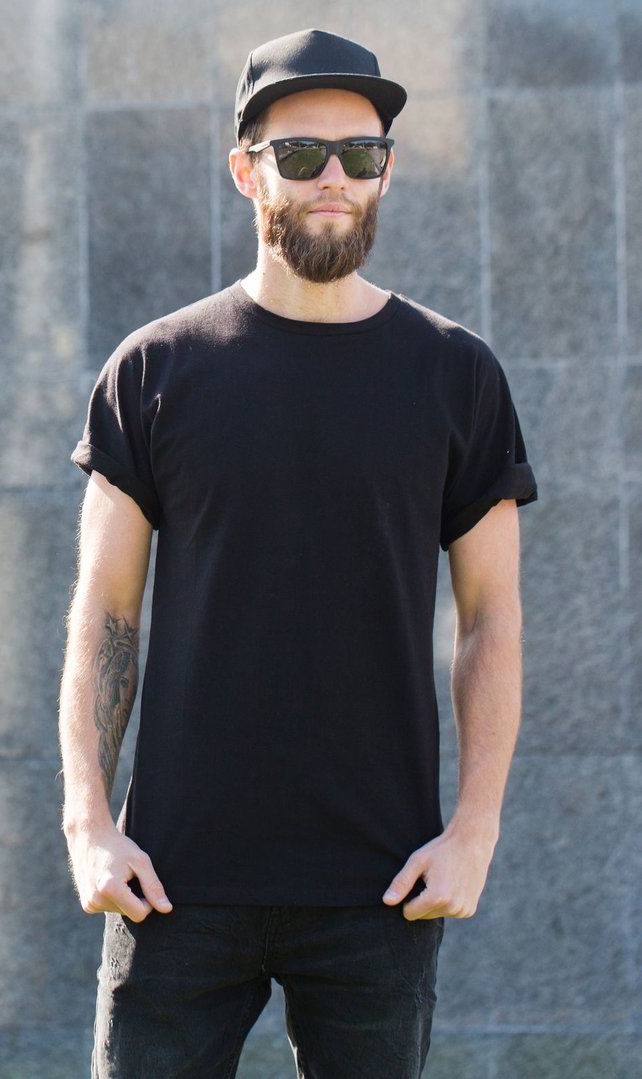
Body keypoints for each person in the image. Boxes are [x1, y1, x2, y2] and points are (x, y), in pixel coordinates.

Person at [59, 27, 537, 1079]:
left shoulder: (456, 376)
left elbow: (491, 616)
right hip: (174, 879)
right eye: (301, 153)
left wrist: (475, 830)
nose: (334, 178)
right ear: (247, 171)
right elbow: (105, 608)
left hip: (381, 883)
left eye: (360, 155)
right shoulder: (153, 370)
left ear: (386, 172)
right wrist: (88, 819)